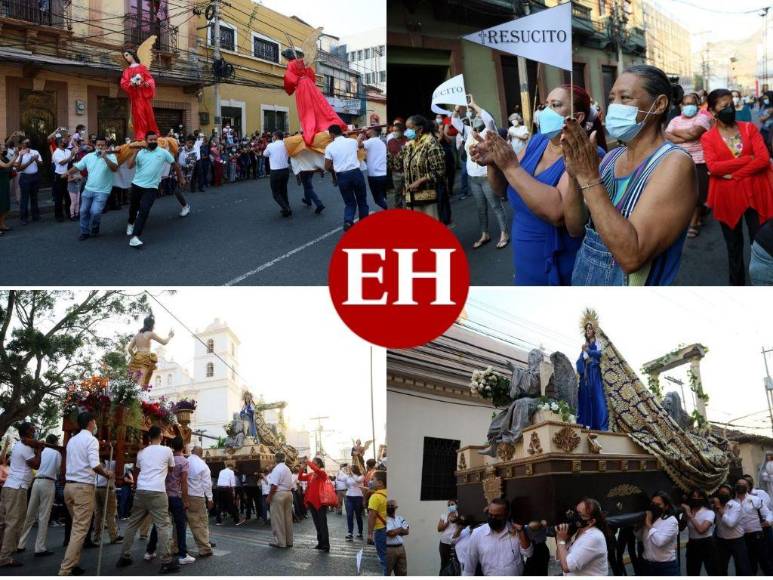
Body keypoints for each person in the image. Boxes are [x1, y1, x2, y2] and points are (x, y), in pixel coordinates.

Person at [561, 65, 697, 286]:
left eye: (626, 98)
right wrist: (574, 176)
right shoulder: (611, 157)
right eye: (612, 98)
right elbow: (575, 228)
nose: (615, 106)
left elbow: (632, 256)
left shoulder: (674, 163)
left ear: (659, 104)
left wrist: (588, 176)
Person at [472, 85, 606, 284]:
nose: (545, 112)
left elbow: (558, 214)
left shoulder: (588, 156)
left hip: (557, 265)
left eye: (556, 105)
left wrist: (509, 166)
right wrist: (493, 162)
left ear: (576, 118)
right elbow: (505, 190)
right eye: (546, 105)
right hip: (524, 260)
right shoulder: (537, 142)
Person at [701, 88, 773, 285]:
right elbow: (713, 167)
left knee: (759, 245)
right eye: (724, 106)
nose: (730, 108)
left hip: (755, 194)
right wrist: (747, 159)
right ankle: (737, 288)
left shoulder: (749, 128)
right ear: (713, 111)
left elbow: (763, 159)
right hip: (728, 198)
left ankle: (762, 283)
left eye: (731, 104)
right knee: (733, 247)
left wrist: (733, 174)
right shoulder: (708, 138)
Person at [116, 425, 178, 574]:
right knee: (163, 525)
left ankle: (124, 556)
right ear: (161, 436)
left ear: (149, 437)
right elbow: (171, 469)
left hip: (141, 491)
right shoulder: (167, 451)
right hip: (157, 491)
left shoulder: (141, 453)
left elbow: (138, 469)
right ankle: (166, 561)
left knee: (132, 524)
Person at [58, 412, 113, 576]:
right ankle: (65, 570)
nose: (95, 425)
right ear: (91, 423)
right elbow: (95, 464)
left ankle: (73, 564)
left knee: (77, 527)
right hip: (83, 488)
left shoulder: (72, 440)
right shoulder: (91, 440)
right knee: (80, 530)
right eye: (95, 422)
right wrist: (107, 474)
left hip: (69, 487)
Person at [451, 100, 509, 250]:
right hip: (473, 178)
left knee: (495, 206)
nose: (476, 116)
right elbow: (454, 120)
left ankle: (504, 233)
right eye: (475, 115)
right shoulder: (468, 130)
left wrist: (473, 104)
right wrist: (458, 107)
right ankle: (485, 234)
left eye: (478, 115)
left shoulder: (489, 131)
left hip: (486, 177)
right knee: (480, 207)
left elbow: (488, 119)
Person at [125, 131, 186, 248]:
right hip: (136, 185)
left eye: (155, 140)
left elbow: (175, 165)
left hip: (152, 187)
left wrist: (181, 178)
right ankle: (130, 223)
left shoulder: (163, 153)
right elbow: (129, 165)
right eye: (150, 140)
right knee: (133, 208)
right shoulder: (141, 153)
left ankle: (135, 237)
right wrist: (135, 152)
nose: (153, 142)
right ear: (146, 141)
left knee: (144, 210)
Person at [665, 92, 712, 239]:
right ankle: (689, 218)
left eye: (692, 103)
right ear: (681, 105)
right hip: (679, 160)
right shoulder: (675, 119)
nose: (688, 106)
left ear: (697, 105)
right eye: (685, 103)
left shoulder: (703, 118)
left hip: (699, 161)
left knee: (698, 193)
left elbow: (693, 134)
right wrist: (685, 135)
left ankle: (694, 222)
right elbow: (666, 135)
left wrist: (677, 133)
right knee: (681, 193)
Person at [144, 436, 194, 566]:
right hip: (175, 497)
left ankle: (149, 551)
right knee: (180, 525)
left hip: (163, 495)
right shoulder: (184, 461)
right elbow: (183, 482)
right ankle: (183, 554)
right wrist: (186, 500)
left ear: (172, 446)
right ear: (183, 447)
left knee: (158, 524)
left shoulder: (167, 460)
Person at [0, 423, 42, 568]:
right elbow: (36, 465)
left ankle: (2, 553)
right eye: (33, 431)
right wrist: (39, 449)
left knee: (4, 522)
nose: (35, 433)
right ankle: (4, 557)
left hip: (9, 487)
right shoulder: (25, 447)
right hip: (18, 487)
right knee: (13, 523)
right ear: (27, 433)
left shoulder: (19, 445)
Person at [65, 136, 119, 241]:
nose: (100, 147)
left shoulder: (111, 156)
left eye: (102, 145)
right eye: (98, 145)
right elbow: (78, 166)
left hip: (103, 191)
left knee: (95, 212)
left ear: (106, 146)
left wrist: (105, 157)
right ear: (95, 146)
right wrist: (67, 173)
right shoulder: (89, 156)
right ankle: (84, 232)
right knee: (83, 210)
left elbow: (114, 168)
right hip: (88, 189)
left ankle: (95, 227)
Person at [17, 434, 61, 557]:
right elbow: (58, 470)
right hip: (48, 482)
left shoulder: (40, 450)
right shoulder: (57, 453)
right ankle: (40, 547)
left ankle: (20, 544)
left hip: (36, 481)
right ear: (56, 442)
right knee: (44, 515)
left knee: (30, 513)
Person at [463, 497, 533, 575]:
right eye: (490, 515)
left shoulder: (516, 530)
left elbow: (528, 553)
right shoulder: (477, 534)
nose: (493, 518)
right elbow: (469, 568)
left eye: (497, 516)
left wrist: (521, 531)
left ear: (506, 515)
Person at [399, 115, 446, 220]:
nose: (407, 132)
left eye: (410, 128)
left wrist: (420, 181)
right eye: (406, 129)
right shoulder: (410, 144)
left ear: (420, 129)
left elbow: (440, 170)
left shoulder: (431, 143)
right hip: (411, 196)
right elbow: (397, 164)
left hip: (427, 195)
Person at [325, 124, 369, 230]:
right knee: (362, 200)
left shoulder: (329, 147)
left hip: (343, 176)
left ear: (331, 134)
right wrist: (362, 132)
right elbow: (358, 141)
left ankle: (348, 221)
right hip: (356, 173)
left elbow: (327, 166)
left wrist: (333, 170)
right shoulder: (352, 142)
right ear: (341, 132)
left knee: (349, 202)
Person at [554, 497, 609, 576]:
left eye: (580, 514)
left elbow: (566, 567)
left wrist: (560, 541)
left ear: (591, 521)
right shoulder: (579, 531)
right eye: (575, 512)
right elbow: (561, 559)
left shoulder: (594, 537)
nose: (575, 516)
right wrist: (564, 539)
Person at [734, 476, 773, 574]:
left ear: (748, 487)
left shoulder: (755, 499)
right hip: (741, 538)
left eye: (744, 485)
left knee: (765, 564)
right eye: (739, 485)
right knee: (748, 566)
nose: (741, 486)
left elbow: (768, 513)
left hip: (757, 537)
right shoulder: (732, 502)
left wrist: (767, 522)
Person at [713, 483, 752, 575]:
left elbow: (730, 523)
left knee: (742, 568)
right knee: (721, 568)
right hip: (721, 541)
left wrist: (719, 508)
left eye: (725, 493)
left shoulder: (736, 506)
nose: (722, 495)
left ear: (730, 495)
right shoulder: (715, 506)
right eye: (721, 492)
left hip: (736, 541)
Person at [677, 488, 717, 575]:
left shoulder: (709, 512)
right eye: (694, 497)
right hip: (692, 544)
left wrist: (690, 515)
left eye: (699, 497)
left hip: (707, 543)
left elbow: (701, 530)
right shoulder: (688, 512)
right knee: (692, 572)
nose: (696, 499)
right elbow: (680, 528)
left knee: (712, 571)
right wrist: (684, 516)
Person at [576, 321, 608, 430]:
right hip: (586, 374)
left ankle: (602, 425)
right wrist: (582, 356)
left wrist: (589, 351)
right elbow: (579, 362)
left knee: (597, 397)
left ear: (594, 330)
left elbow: (600, 354)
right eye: (586, 329)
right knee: (584, 398)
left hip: (595, 371)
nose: (588, 330)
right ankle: (586, 424)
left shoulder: (597, 342)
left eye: (590, 328)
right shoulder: (585, 345)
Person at [639, 491, 679, 575]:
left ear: (666, 506)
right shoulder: (650, 518)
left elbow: (660, 542)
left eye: (658, 505)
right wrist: (637, 527)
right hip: (648, 565)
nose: (654, 507)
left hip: (665, 567)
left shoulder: (671, 521)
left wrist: (649, 525)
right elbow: (641, 538)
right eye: (653, 504)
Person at [186, 446, 214, 558]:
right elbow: (207, 484)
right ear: (201, 454)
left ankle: (175, 546)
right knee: (199, 523)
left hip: (182, 495)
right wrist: (210, 498)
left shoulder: (185, 461)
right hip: (196, 496)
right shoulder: (203, 466)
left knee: (178, 524)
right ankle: (204, 548)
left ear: (192, 452)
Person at [298, 457, 330, 552]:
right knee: (317, 524)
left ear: (319, 464)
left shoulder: (322, 473)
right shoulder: (311, 474)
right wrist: (302, 468)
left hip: (320, 503)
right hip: (312, 502)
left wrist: (307, 461)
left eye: (314, 463)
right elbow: (300, 478)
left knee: (323, 524)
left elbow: (315, 469)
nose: (312, 464)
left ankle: (326, 544)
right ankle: (320, 543)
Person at [92, 456, 122, 546]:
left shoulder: (96, 461)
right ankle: (113, 536)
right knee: (110, 513)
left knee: (98, 514)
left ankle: (96, 537)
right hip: (107, 489)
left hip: (96, 488)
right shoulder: (112, 463)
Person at [267, 452, 294, 548]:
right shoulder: (287, 469)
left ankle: (280, 542)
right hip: (288, 493)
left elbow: (274, 485)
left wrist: (269, 496)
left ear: (275, 459)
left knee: (278, 519)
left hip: (279, 494)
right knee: (288, 519)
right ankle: (289, 541)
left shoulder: (277, 469)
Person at [359, 126, 388, 210]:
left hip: (374, 176)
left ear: (372, 131)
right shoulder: (382, 141)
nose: (366, 130)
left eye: (368, 129)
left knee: (378, 200)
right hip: (384, 174)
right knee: (385, 197)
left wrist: (361, 133)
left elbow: (357, 144)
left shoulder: (371, 141)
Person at [264, 131, 292, 217]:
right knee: (284, 190)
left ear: (275, 137)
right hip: (285, 170)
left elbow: (265, 154)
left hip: (275, 171)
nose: (272, 137)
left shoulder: (271, 145)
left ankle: (286, 208)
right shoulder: (286, 144)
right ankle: (286, 208)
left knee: (275, 192)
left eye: (273, 136)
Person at [15, 137, 43, 225]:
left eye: (28, 142)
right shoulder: (20, 154)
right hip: (25, 178)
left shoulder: (35, 152)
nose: (27, 144)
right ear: (21, 144)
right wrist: (30, 161)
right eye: (25, 142)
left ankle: (36, 215)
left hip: (35, 176)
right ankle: (24, 218)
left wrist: (36, 160)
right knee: (24, 199)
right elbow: (18, 168)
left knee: (34, 197)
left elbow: (41, 164)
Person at [367, 470, 388, 575]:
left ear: (380, 482)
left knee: (384, 559)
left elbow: (372, 517)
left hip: (380, 530)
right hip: (390, 529)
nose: (370, 481)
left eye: (372, 479)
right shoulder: (389, 493)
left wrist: (370, 534)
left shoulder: (375, 497)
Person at [51, 137, 74, 221]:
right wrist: (71, 156)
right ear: (60, 143)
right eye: (64, 141)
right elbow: (62, 162)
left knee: (68, 196)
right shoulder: (56, 153)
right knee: (59, 197)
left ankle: (70, 214)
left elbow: (72, 160)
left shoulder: (68, 151)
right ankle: (59, 216)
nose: (66, 142)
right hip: (60, 176)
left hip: (68, 175)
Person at [214, 462, 243, 526]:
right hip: (227, 489)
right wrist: (233, 492)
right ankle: (237, 520)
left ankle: (218, 521)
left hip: (219, 488)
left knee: (219, 505)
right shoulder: (231, 472)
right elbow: (232, 483)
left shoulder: (221, 471)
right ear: (231, 467)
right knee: (231, 504)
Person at [387, 122, 408, 208]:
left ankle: (408, 207)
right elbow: (389, 156)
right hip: (396, 172)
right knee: (397, 191)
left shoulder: (408, 140)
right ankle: (398, 207)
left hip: (407, 170)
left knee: (408, 190)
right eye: (393, 131)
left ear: (402, 131)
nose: (394, 132)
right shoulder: (390, 141)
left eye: (397, 131)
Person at [386, 499, 409, 576]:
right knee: (386, 572)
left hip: (401, 548)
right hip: (389, 549)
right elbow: (391, 533)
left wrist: (396, 531)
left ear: (396, 507)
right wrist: (400, 529)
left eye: (392, 506)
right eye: (388, 506)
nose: (390, 507)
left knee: (402, 573)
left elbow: (407, 531)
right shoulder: (384, 519)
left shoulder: (400, 518)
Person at [437, 500, 461, 572]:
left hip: (456, 543)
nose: (450, 506)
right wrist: (447, 520)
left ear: (456, 505)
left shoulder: (459, 515)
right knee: (444, 563)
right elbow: (439, 528)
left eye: (452, 504)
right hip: (444, 543)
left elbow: (461, 526)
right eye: (449, 505)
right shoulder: (444, 515)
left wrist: (456, 519)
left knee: (456, 564)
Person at [0, 142, 18, 235]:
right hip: (0, 185)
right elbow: (6, 165)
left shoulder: (4, 157)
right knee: (0, 205)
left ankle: (2, 224)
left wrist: (20, 157)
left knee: (5, 206)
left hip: (5, 183)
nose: (4, 149)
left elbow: (13, 164)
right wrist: (15, 156)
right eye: (2, 148)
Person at [345, 464, 365, 540]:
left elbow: (358, 480)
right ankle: (350, 532)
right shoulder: (348, 476)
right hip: (349, 496)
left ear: (355, 469)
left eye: (351, 468)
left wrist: (352, 474)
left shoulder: (361, 476)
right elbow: (345, 484)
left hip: (358, 497)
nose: (350, 470)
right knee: (349, 515)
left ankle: (360, 532)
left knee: (358, 515)